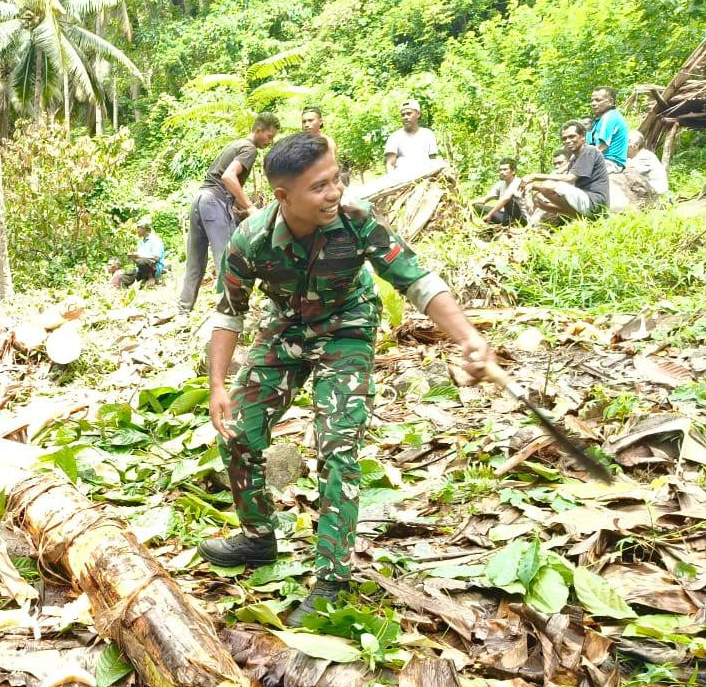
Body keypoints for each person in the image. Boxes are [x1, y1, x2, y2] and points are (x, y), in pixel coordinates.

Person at [200, 133, 493, 622]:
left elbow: (418, 281)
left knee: (337, 448)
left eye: (337, 179)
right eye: (319, 187)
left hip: (347, 325)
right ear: (283, 197)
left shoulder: (358, 222)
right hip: (287, 326)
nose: (334, 193)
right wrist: (217, 388)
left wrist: (468, 336)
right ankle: (257, 538)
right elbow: (229, 314)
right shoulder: (249, 240)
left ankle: (331, 580)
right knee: (238, 432)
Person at [178, 112, 280, 313]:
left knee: (195, 260)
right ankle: (228, 311)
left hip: (200, 198)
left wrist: (235, 208)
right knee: (226, 259)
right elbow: (228, 177)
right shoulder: (249, 149)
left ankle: (183, 309)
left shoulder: (235, 144)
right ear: (258, 130)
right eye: (269, 136)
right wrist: (251, 208)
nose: (270, 141)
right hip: (215, 201)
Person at [523, 121, 609, 224]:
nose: (568, 141)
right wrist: (532, 186)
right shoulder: (574, 158)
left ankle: (587, 217)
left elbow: (570, 179)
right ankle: (581, 218)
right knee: (537, 199)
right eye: (564, 138)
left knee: (547, 185)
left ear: (583, 136)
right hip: (583, 199)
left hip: (595, 202)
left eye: (572, 136)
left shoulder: (590, 151)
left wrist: (534, 176)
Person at [384, 99, 439, 173]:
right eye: (403, 115)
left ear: (418, 114)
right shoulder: (394, 137)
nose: (405, 117)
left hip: (425, 179)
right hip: (402, 180)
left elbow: (433, 160)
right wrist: (391, 181)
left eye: (409, 113)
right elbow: (390, 164)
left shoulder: (428, 134)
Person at [586, 87, 629, 172]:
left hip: (610, 162)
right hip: (601, 160)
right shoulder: (598, 121)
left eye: (598, 100)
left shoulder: (610, 117)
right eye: (592, 100)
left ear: (611, 102)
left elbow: (601, 147)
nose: (593, 103)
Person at [473, 158, 527, 225]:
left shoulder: (518, 182)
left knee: (509, 201)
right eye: (500, 170)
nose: (501, 172)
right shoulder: (500, 183)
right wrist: (469, 204)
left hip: (519, 217)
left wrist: (490, 214)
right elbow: (485, 200)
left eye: (505, 169)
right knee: (477, 206)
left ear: (513, 171)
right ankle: (496, 220)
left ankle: (510, 223)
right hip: (504, 215)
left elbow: (505, 199)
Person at [624, 130, 668, 206]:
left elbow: (628, 169)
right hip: (649, 190)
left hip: (656, 193)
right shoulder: (637, 156)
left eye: (626, 143)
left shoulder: (645, 156)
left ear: (636, 145)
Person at [127, 220, 166, 286]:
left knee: (142, 261)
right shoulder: (141, 242)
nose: (137, 231)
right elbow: (139, 260)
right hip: (142, 268)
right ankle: (143, 278)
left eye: (138, 228)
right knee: (123, 277)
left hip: (155, 267)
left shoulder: (156, 240)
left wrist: (139, 256)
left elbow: (156, 258)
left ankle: (151, 277)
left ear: (143, 229)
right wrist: (133, 257)